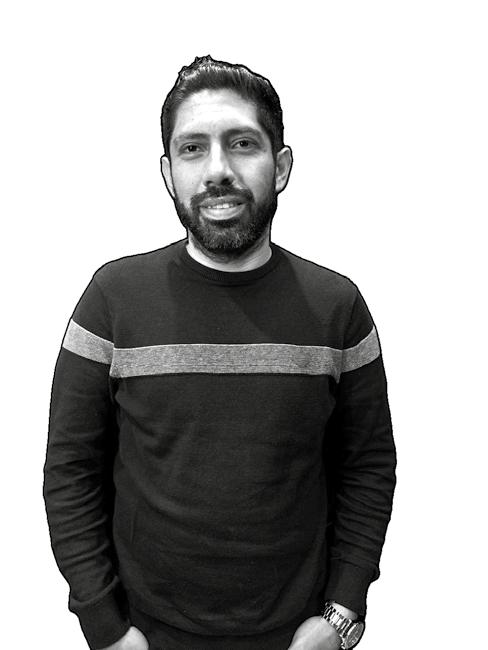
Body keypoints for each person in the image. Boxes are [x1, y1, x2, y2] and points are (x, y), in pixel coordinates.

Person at [44, 55, 396, 650]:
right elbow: (70, 471)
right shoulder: (111, 300)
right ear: (167, 172)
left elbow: (367, 467)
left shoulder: (338, 308)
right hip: (145, 636)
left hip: (297, 637)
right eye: (193, 149)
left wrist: (341, 614)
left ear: (281, 166)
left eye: (242, 144)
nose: (218, 171)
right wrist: (104, 627)